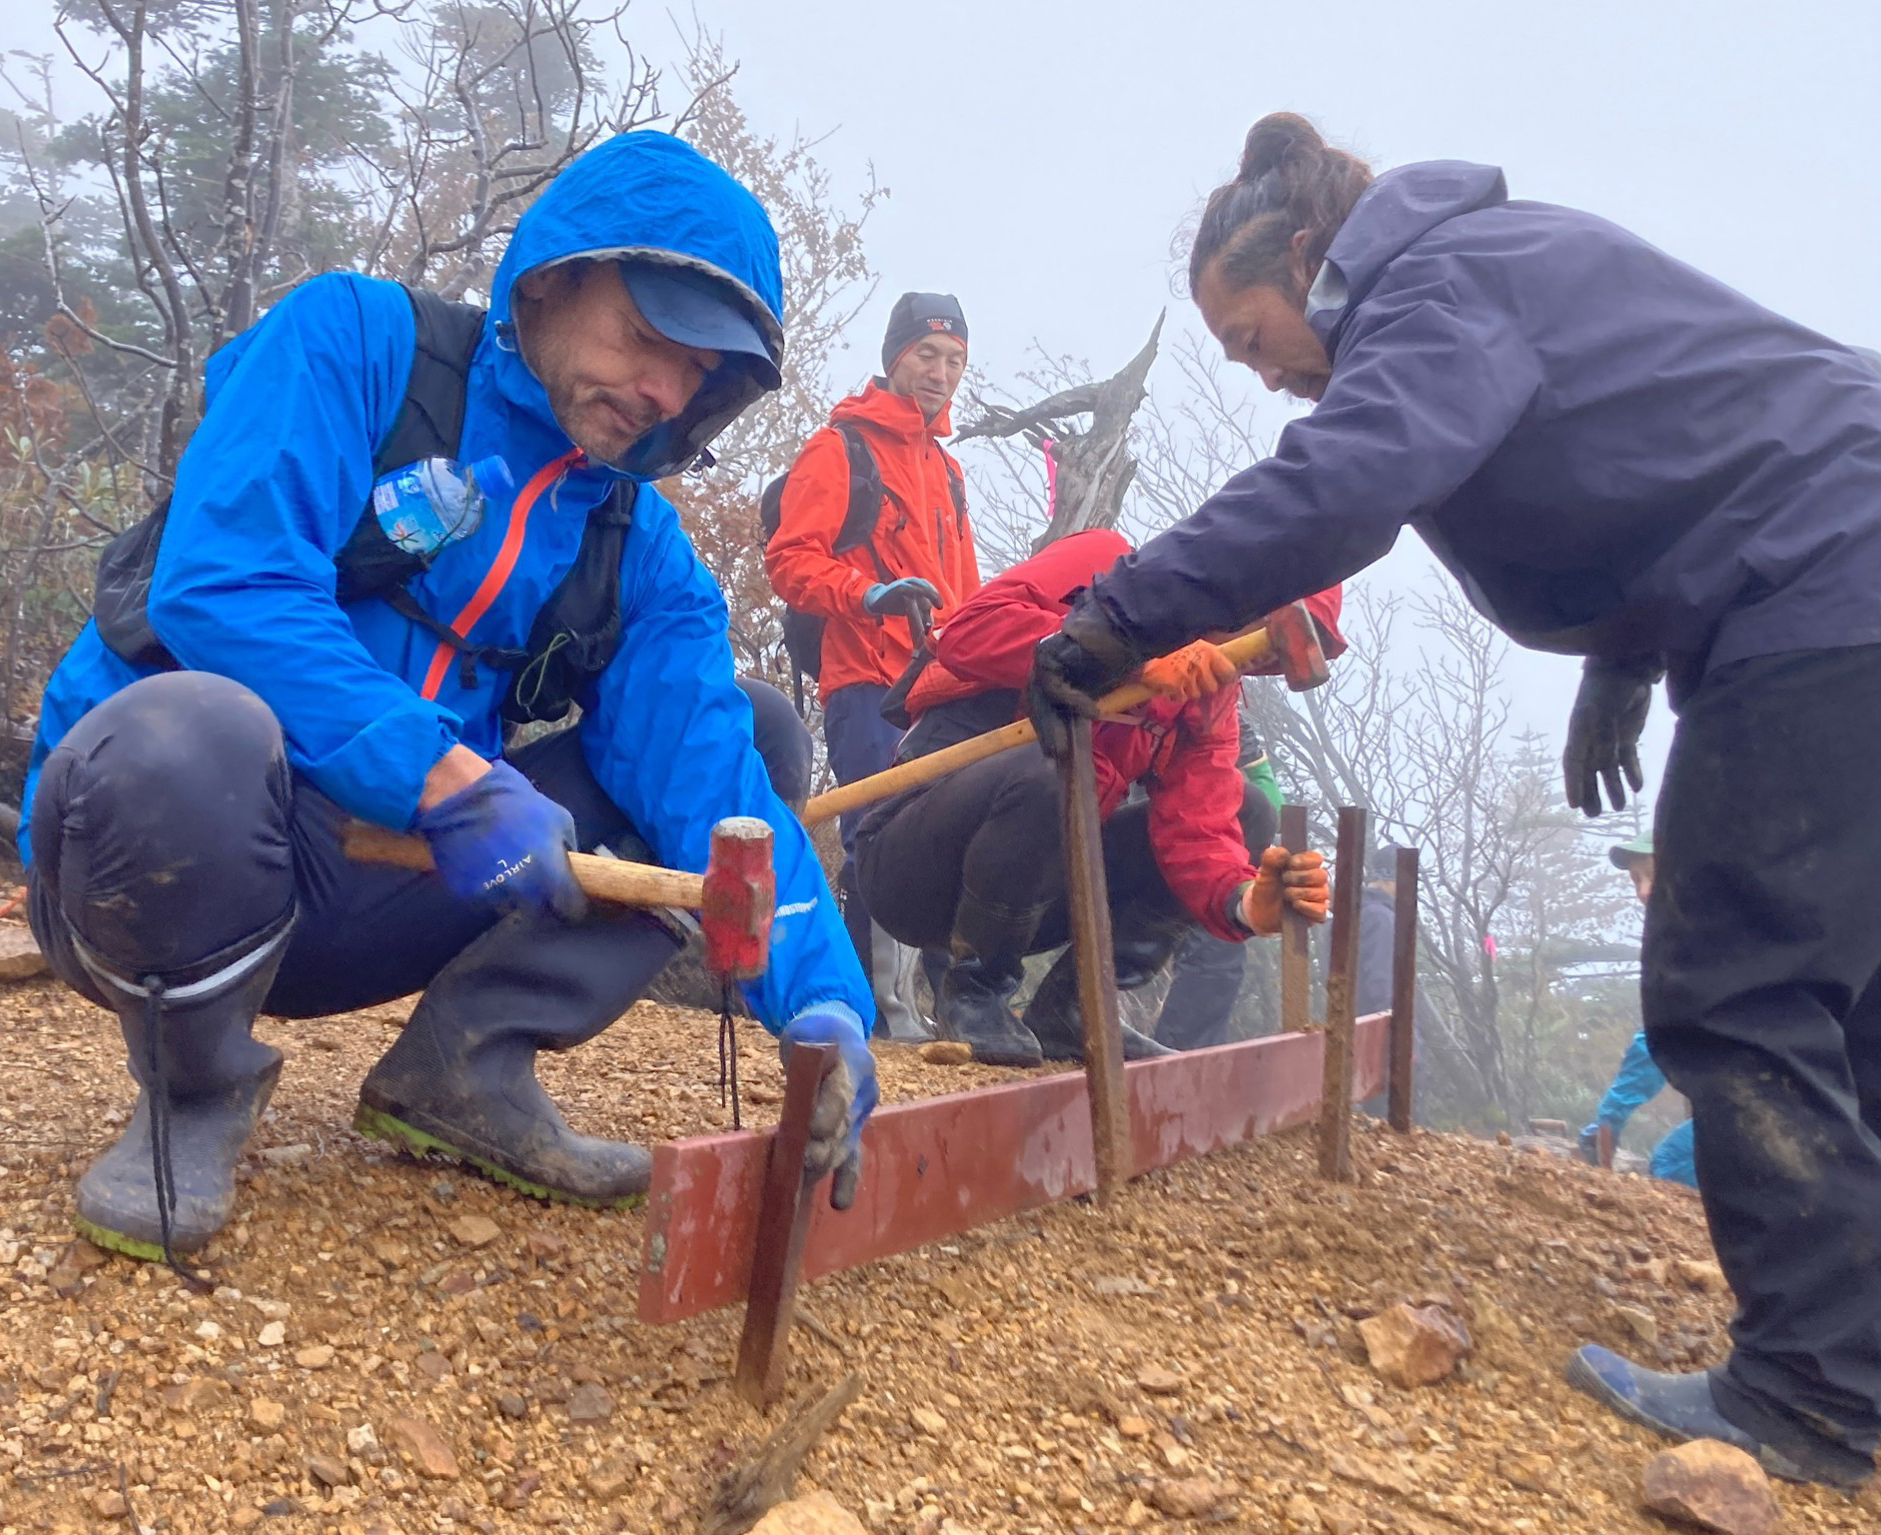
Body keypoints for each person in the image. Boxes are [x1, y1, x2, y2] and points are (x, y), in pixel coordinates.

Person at [1029, 114, 1881, 1488]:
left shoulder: (1435, 286)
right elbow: (1678, 452)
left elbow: (1345, 484)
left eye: (1251, 336)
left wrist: (1120, 615)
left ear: (1311, 260)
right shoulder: (1502, 267)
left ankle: (1807, 1388)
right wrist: (1623, 660)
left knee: (1737, 982)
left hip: (1823, 607)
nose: (1263, 377)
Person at [21, 132, 877, 1269]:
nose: (665, 391)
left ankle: (463, 1067)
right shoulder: (352, 342)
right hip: (157, 873)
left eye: (698, 373)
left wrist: (827, 1006)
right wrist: (441, 776)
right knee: (184, 732)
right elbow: (223, 582)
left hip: (382, 892)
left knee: (756, 732)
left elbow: (710, 781)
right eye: (647, 338)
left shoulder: (640, 547)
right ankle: (190, 1089)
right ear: (552, 278)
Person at [856, 530, 1330, 1067]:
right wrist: (1127, 662)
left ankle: (1076, 1009)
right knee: (1057, 769)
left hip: (1034, 894)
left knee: (1249, 812)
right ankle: (975, 991)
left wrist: (1243, 904)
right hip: (911, 867)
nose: (1256, 659)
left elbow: (1202, 831)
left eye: (1268, 656)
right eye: (1264, 637)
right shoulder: (1107, 563)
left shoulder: (1206, 698)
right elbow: (967, 631)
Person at [765, 294, 982, 1043]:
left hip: (941, 687)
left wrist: (988, 662)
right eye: (927, 354)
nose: (940, 372)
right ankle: (883, 1016)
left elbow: (967, 592)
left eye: (954, 360)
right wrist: (865, 594)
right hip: (865, 680)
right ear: (895, 356)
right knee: (879, 837)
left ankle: (955, 1008)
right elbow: (789, 561)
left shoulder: (948, 469)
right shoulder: (840, 448)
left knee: (953, 838)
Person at [1150, 715, 1284, 1051]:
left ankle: (1187, 1054)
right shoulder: (1200, 721)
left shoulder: (1222, 722)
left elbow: (1272, 807)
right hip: (1197, 856)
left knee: (1218, 960)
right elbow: (1272, 806)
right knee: (1213, 957)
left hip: (1220, 867)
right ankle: (1183, 1055)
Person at [1577, 835, 1695, 1187]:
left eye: (1651, 874)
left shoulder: (1701, 942)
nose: (1643, 891)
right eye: (1635, 880)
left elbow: (1661, 1039)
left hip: (1782, 1097)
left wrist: (1608, 1121)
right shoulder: (1687, 934)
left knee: (1672, 1164)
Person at [1354, 845, 1438, 1124]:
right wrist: (1405, 1042)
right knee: (1403, 1129)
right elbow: (1384, 987)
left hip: (1362, 1043)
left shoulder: (1351, 916)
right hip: (1389, 1046)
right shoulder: (1383, 920)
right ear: (1395, 879)